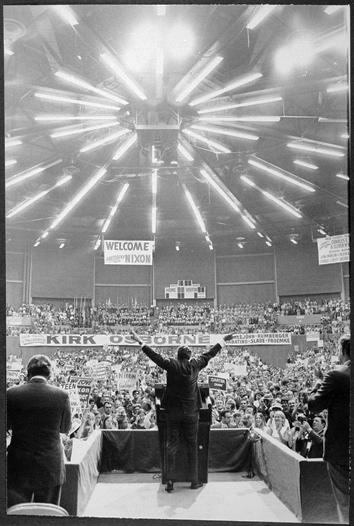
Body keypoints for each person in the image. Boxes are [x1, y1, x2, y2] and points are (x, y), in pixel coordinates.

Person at [130, 329, 234, 492]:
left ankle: (170, 480)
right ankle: (194, 480)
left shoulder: (171, 364)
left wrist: (139, 341)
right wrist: (223, 340)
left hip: (173, 412)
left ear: (178, 355)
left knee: (172, 445)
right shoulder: (195, 364)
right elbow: (210, 354)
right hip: (191, 413)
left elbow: (154, 356)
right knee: (192, 446)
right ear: (189, 355)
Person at [7, 354, 72, 507]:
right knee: (47, 513)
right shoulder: (62, 395)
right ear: (49, 374)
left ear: (27, 373)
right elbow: (65, 428)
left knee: (17, 513)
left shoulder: (10, 393)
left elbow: (6, 425)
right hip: (51, 466)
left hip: (18, 465)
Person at [308, 334, 350, 523]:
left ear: (343, 352)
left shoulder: (337, 375)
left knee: (345, 503)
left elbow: (314, 405)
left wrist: (317, 383)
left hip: (342, 451)